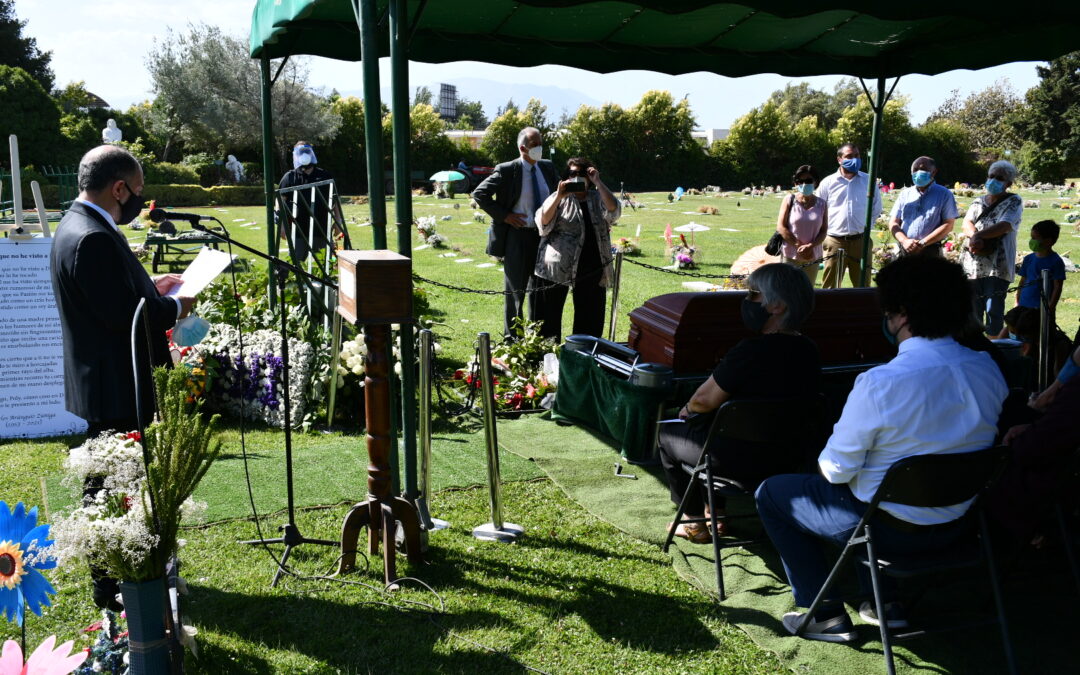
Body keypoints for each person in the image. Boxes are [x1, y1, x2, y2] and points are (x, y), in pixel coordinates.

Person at [754, 255, 1007, 642]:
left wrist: (837, 454)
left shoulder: (881, 382)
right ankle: (883, 603)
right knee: (871, 487)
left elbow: (836, 470)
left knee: (774, 493)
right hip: (958, 525)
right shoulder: (987, 368)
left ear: (900, 314)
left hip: (889, 532)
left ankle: (824, 614)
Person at [50, 145, 196, 610]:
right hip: (116, 382)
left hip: (109, 378)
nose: (139, 200)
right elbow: (121, 316)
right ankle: (112, 584)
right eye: (137, 191)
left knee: (117, 482)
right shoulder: (91, 236)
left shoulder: (80, 224)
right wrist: (176, 306)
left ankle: (127, 573)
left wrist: (151, 288)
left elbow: (115, 297)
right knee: (111, 488)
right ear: (119, 188)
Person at [660, 263, 820, 543]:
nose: (747, 301)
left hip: (732, 460)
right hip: (786, 457)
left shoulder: (751, 351)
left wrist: (686, 411)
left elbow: (702, 401)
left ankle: (695, 521)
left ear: (777, 306)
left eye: (754, 295)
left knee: (668, 432)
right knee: (719, 431)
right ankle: (716, 514)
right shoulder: (810, 351)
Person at [473, 127, 559, 338]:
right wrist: (505, 216)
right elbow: (479, 194)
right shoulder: (507, 170)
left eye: (541, 143)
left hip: (544, 237)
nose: (540, 148)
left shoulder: (547, 167)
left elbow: (558, 193)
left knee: (540, 290)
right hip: (518, 236)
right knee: (515, 291)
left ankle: (537, 336)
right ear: (523, 148)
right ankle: (512, 338)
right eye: (535, 145)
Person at [533, 157, 620, 341]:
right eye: (572, 174)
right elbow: (543, 222)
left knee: (590, 320)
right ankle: (546, 358)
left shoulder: (598, 197)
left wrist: (597, 181)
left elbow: (614, 211)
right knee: (548, 319)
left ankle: (582, 355)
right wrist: (559, 195)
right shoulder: (559, 197)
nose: (577, 177)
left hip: (592, 267)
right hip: (556, 269)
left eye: (582, 174)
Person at [960, 160, 1023, 337]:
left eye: (999, 178)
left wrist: (978, 236)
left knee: (993, 310)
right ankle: (975, 346)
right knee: (973, 310)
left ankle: (994, 345)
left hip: (998, 265)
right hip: (973, 263)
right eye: (991, 176)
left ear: (1008, 183)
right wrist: (975, 237)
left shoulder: (1013, 201)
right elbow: (966, 223)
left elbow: (1004, 225)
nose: (993, 180)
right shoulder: (978, 201)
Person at [816, 143, 882, 288]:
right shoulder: (828, 182)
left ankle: (862, 311)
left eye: (857, 156)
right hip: (834, 240)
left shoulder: (868, 181)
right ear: (839, 159)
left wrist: (864, 228)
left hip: (861, 241)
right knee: (830, 286)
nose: (854, 159)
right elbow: (818, 210)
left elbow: (876, 208)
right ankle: (830, 311)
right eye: (849, 156)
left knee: (863, 284)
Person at [276, 140, 344, 263]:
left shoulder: (325, 176)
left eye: (306, 151)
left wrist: (338, 222)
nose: (304, 154)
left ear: (311, 153)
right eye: (300, 152)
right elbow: (280, 201)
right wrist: (281, 225)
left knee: (327, 265)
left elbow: (335, 201)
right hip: (298, 231)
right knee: (295, 266)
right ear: (295, 155)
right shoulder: (290, 177)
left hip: (322, 229)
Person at [887, 156, 959, 256]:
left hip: (930, 250)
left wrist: (922, 243)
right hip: (904, 249)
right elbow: (893, 222)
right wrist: (904, 241)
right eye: (915, 170)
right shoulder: (905, 194)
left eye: (923, 169)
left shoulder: (944, 194)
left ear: (934, 172)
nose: (919, 172)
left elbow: (948, 225)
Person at [776, 165, 828, 285]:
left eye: (809, 180)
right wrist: (798, 245)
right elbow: (781, 227)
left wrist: (810, 246)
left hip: (812, 256)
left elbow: (823, 231)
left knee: (807, 291)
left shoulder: (822, 204)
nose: (804, 184)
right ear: (795, 183)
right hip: (790, 255)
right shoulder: (789, 200)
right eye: (800, 181)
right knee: (786, 292)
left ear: (815, 182)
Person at [1015, 219, 1065, 312]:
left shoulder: (1056, 261)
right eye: (1031, 237)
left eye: (1035, 238)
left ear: (1048, 241)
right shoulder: (1028, 259)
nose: (1031, 241)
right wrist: (1017, 299)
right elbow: (1022, 281)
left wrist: (1051, 306)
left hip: (1042, 308)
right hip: (1023, 305)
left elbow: (1058, 286)